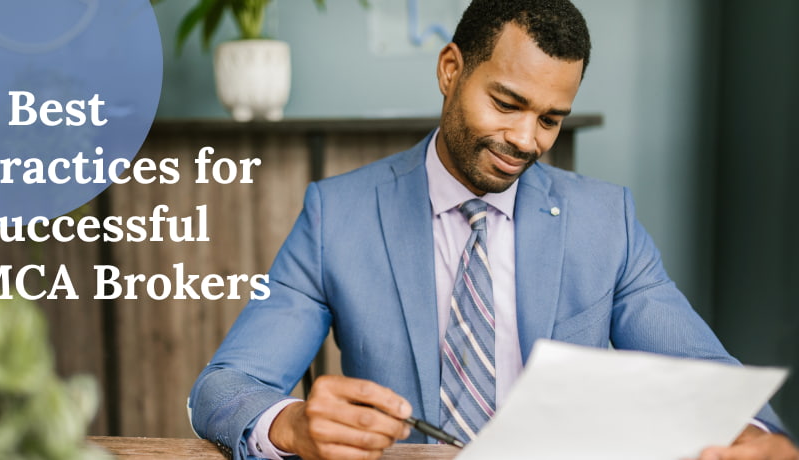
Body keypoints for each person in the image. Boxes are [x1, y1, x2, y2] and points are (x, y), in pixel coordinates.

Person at [188, 1, 798, 459]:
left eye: (550, 119)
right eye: (506, 104)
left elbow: (709, 377)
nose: (526, 141)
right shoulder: (336, 216)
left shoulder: (605, 221)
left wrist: (760, 436)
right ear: (451, 69)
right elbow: (222, 387)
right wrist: (291, 424)